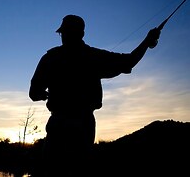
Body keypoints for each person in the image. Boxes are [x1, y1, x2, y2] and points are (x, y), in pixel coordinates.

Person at [29, 14, 161, 176]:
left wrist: (45, 94)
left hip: (59, 126)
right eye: (63, 33)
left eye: (64, 32)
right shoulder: (93, 57)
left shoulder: (50, 58)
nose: (63, 36)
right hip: (83, 126)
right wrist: (147, 42)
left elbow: (33, 93)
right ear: (82, 34)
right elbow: (129, 61)